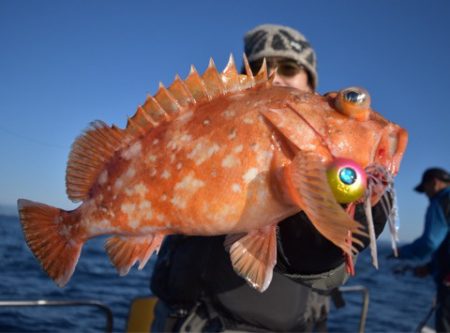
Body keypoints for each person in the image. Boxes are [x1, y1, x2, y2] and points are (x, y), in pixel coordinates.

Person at [149, 23, 389, 332]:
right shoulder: (206, 134)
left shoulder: (332, 158)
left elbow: (329, 269)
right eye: (260, 67)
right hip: (170, 319)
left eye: (289, 67)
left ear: (311, 84)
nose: (275, 75)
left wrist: (327, 228)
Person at [391, 167, 450, 332]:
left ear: (435, 183)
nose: (426, 194)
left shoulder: (442, 200)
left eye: (425, 189)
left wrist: (401, 252)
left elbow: (430, 242)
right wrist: (431, 268)